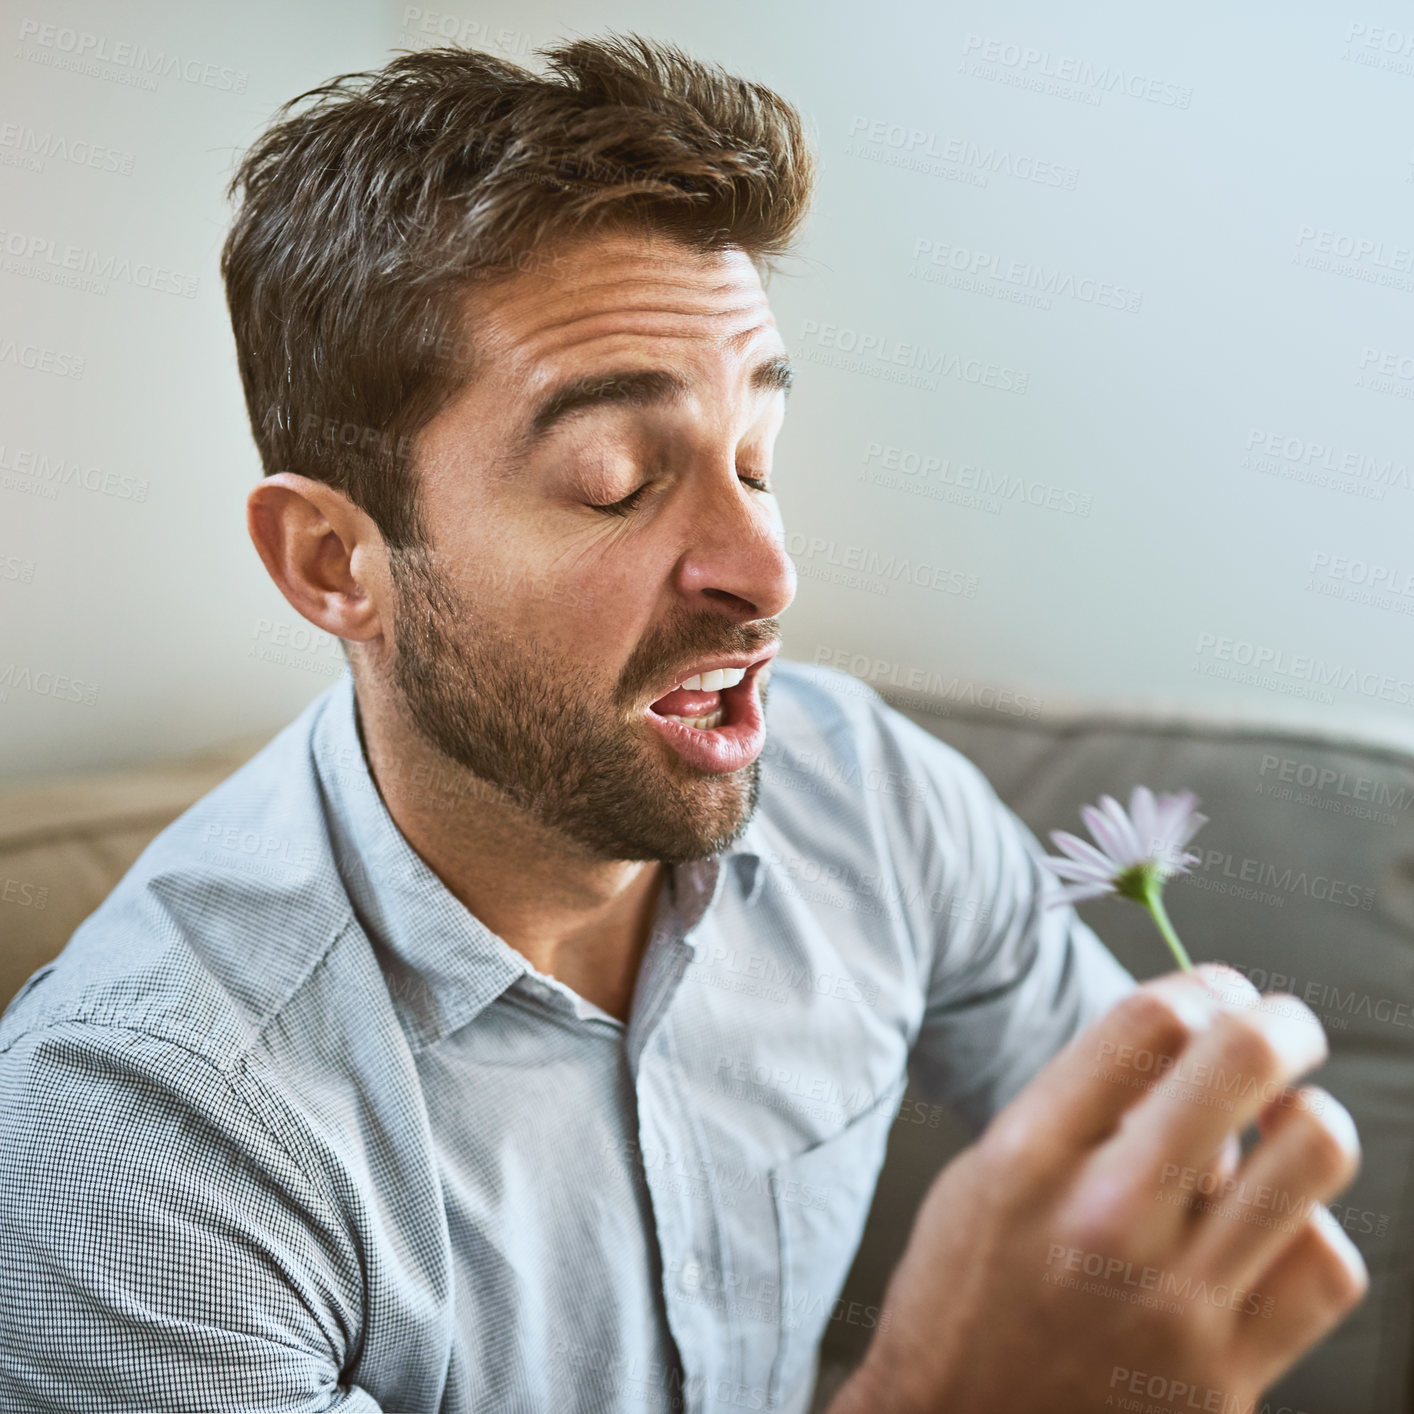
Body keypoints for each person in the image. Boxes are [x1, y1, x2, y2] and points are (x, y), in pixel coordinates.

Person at [0, 34, 1364, 1414]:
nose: (766, 570)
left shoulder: (867, 793)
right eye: (614, 481)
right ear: (333, 563)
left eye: (756, 458)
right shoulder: (133, 1135)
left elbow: (1159, 1199)